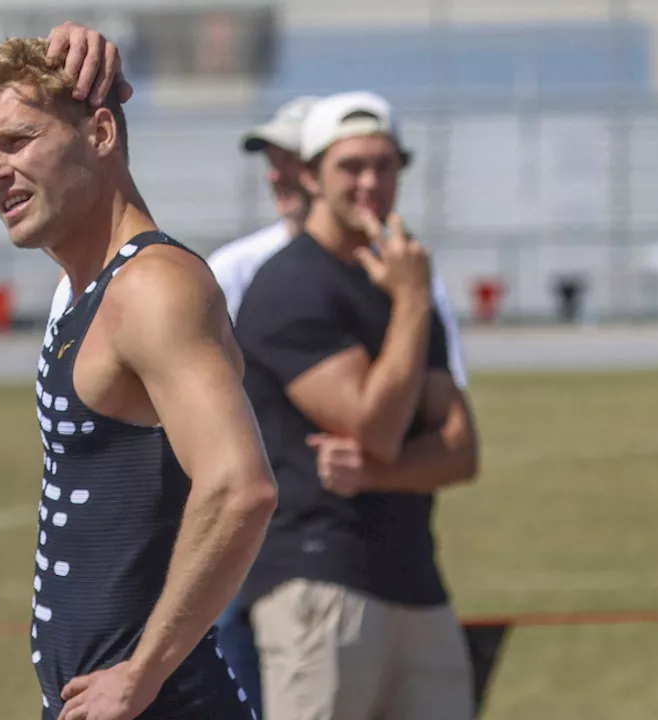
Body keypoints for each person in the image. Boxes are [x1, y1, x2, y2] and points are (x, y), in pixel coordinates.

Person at [0, 31, 280, 720]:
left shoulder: (153, 286)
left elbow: (240, 488)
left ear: (99, 132)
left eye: (16, 141)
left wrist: (140, 674)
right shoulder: (85, 290)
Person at [204, 95, 473, 717]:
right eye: (351, 166)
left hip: (417, 579)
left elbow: (462, 450)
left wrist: (379, 474)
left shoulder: (401, 278)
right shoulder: (290, 284)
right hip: (316, 581)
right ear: (312, 174)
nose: (371, 183)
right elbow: (375, 426)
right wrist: (410, 306)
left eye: (384, 165)